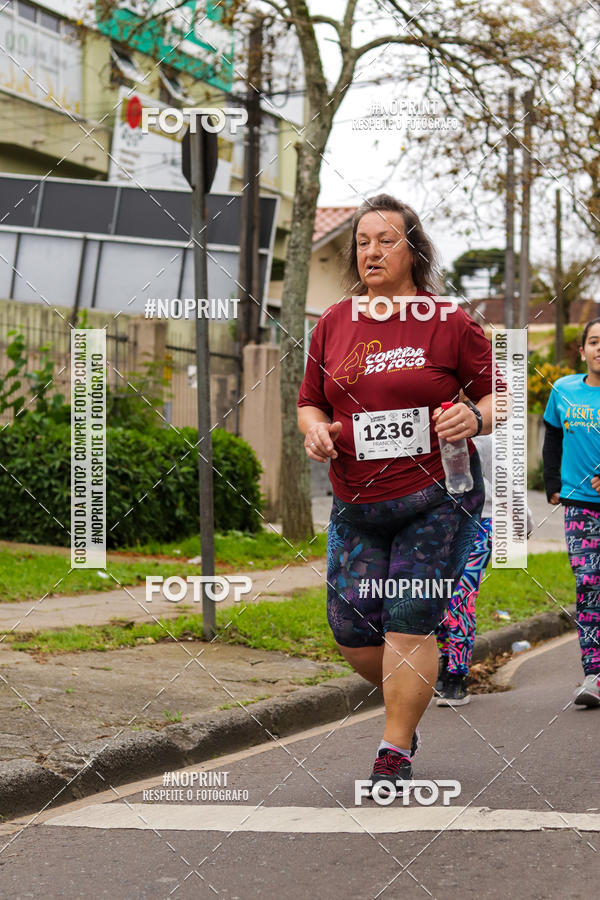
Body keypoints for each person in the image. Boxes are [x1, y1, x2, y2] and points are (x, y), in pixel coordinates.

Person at [297, 194, 498, 796]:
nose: (371, 252)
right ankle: (405, 701)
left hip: (436, 497)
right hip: (356, 501)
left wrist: (474, 417)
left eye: (386, 240)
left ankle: (394, 747)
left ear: (413, 249)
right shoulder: (333, 323)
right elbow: (311, 400)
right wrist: (313, 429)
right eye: (362, 242)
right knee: (354, 633)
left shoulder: (449, 321)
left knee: (409, 619)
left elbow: (497, 395)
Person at [543, 317, 600, 707]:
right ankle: (593, 674)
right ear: (582, 351)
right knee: (589, 585)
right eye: (594, 341)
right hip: (579, 505)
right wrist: (552, 485)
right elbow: (553, 437)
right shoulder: (564, 391)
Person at [435, 433, 493, 706]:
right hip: (438, 522)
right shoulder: (433, 428)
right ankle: (446, 658)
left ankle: (457, 676)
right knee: (435, 597)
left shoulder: (490, 434)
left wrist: (521, 520)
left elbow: (507, 481)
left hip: (482, 522)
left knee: (460, 598)